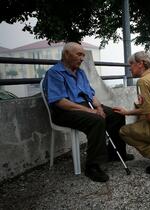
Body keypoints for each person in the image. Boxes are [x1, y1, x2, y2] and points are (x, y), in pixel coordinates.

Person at [43, 42, 133, 183]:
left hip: (84, 106)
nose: (82, 58)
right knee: (96, 120)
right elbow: (60, 101)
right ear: (66, 54)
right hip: (64, 111)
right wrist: (90, 111)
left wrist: (99, 108)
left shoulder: (80, 72)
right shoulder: (55, 73)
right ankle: (93, 166)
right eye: (79, 54)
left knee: (116, 114)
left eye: (83, 55)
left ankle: (114, 153)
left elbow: (90, 94)